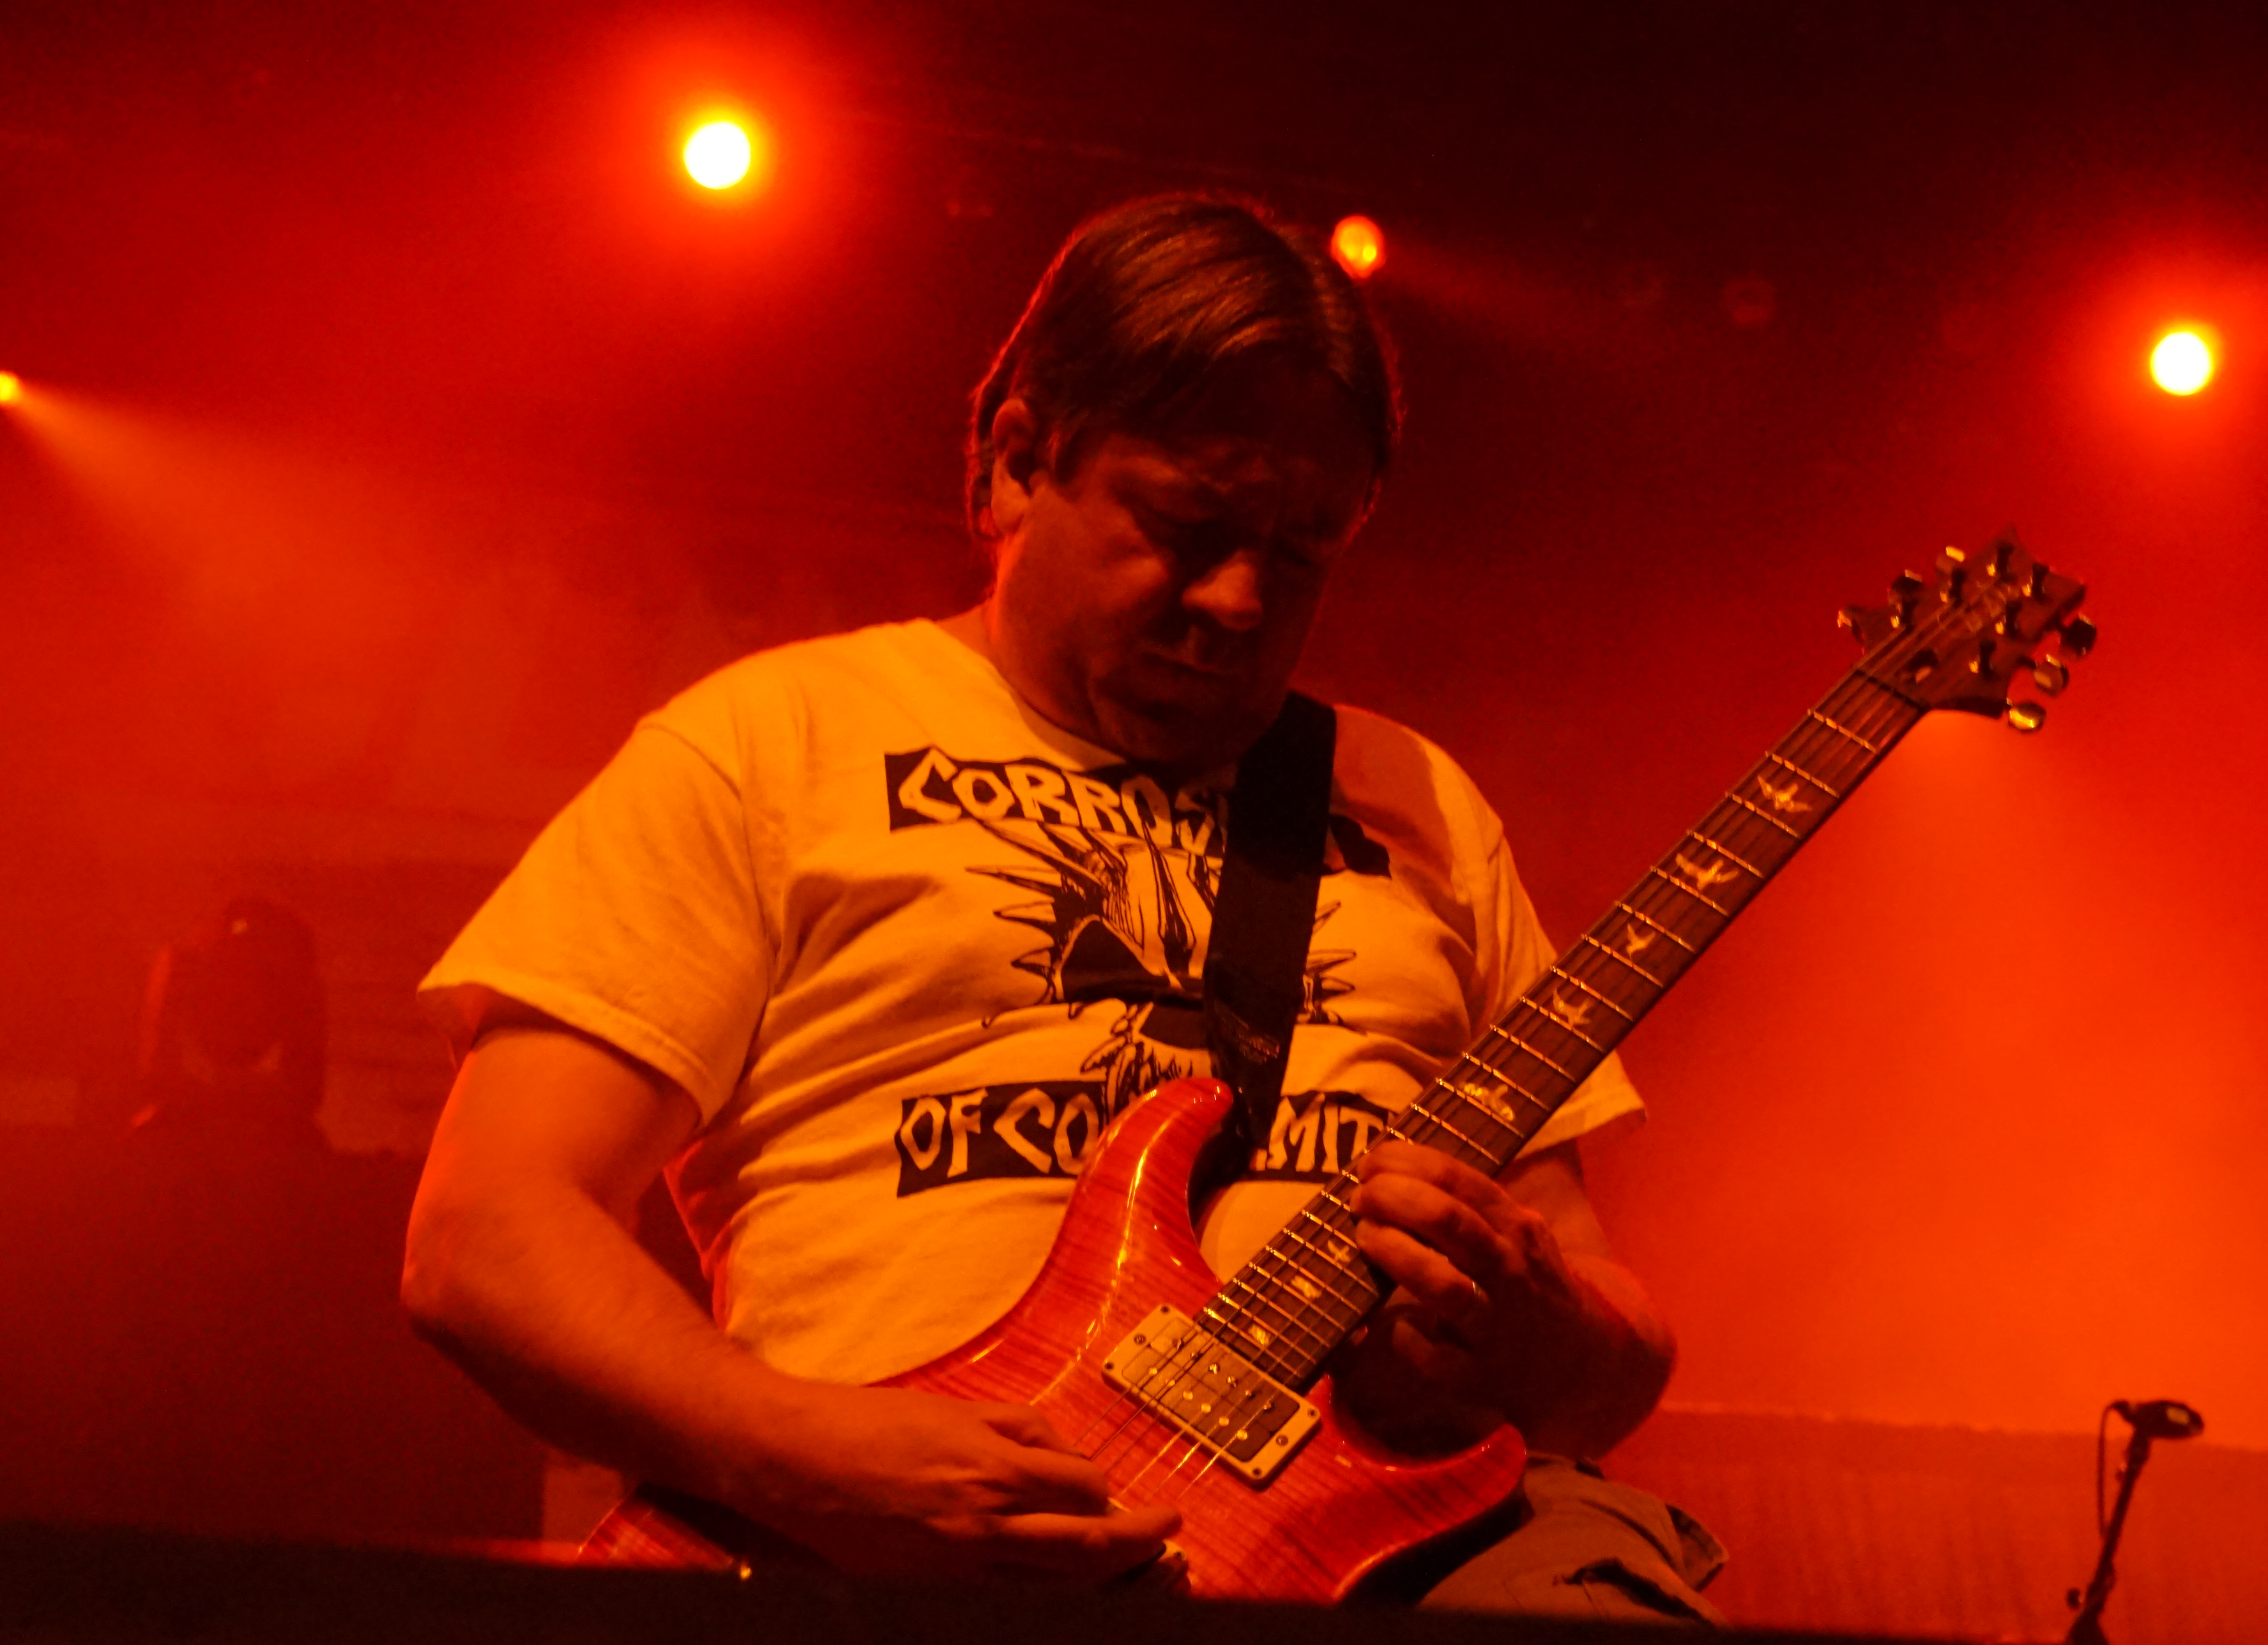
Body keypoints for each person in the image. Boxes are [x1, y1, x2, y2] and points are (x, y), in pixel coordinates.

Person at [402, 194, 1721, 1619]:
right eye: (1189, 523)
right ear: (1018, 463)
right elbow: (489, 1230)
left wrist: (1542, 1324)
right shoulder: (771, 742)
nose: (1238, 599)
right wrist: (810, 1456)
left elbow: (1606, 1337)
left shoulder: (1423, 800)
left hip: (1385, 1560)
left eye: (1301, 549)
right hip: (897, 1559)